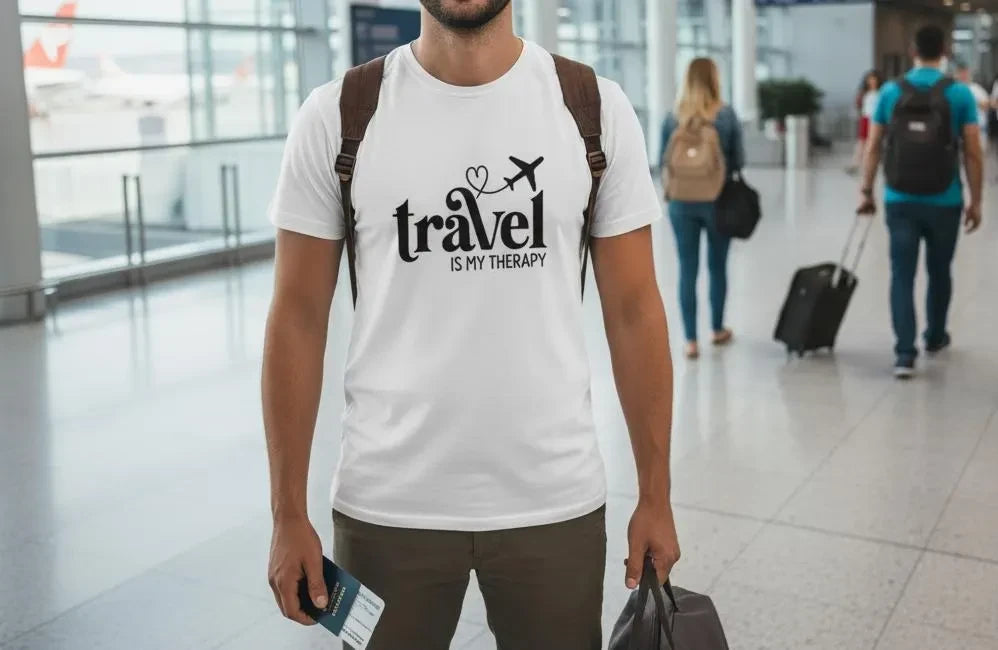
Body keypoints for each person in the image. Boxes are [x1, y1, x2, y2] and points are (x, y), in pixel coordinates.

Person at [262, 1, 680, 648]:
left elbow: (634, 311)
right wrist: (287, 512)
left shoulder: (593, 107)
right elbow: (296, 317)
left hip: (554, 497)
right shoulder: (339, 114)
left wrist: (656, 493)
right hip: (387, 503)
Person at [857, 25, 982, 379]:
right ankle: (935, 336)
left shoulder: (889, 92)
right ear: (944, 50)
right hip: (946, 199)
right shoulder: (959, 94)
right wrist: (976, 201)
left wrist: (866, 191)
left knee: (902, 274)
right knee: (940, 271)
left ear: (912, 51)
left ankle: (904, 354)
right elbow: (973, 152)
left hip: (900, 199)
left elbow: (873, 146)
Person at [660, 57, 744, 360]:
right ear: (715, 79)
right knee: (717, 266)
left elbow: (662, 159)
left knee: (687, 268)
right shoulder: (726, 114)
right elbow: (739, 160)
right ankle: (717, 329)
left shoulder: (673, 117)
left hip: (681, 202)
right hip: (718, 200)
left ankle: (690, 341)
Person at [848, 70, 883, 174]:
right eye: (870, 79)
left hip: (876, 120)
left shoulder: (881, 92)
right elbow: (859, 106)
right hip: (865, 119)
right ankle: (856, 164)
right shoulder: (864, 93)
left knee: (872, 143)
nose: (872, 81)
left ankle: (869, 164)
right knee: (861, 142)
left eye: (874, 79)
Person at [955, 62, 990, 151]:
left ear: (968, 73)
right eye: (960, 73)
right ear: (956, 74)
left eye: (965, 72)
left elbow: (986, 105)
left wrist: (971, 103)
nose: (963, 75)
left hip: (978, 131)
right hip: (959, 132)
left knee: (977, 155)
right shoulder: (954, 89)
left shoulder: (977, 89)